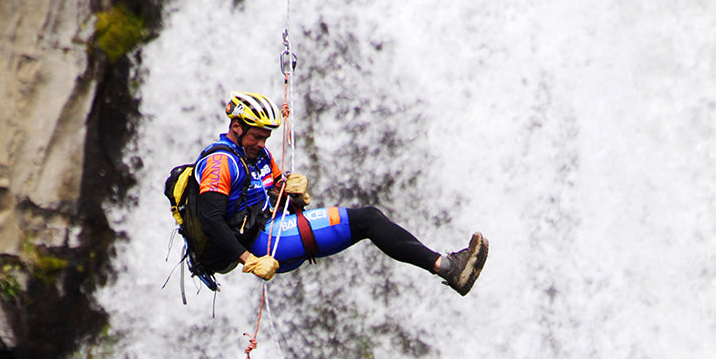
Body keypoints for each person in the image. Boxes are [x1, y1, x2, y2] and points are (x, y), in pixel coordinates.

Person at [179, 91, 488, 295]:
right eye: (257, 137)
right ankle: (448, 267)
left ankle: (446, 267)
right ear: (236, 127)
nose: (262, 144)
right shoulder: (220, 163)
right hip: (253, 243)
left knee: (367, 222)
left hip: (263, 229)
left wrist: (292, 192)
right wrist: (248, 260)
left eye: (266, 138)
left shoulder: (256, 155)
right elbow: (211, 220)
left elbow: (275, 192)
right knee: (367, 220)